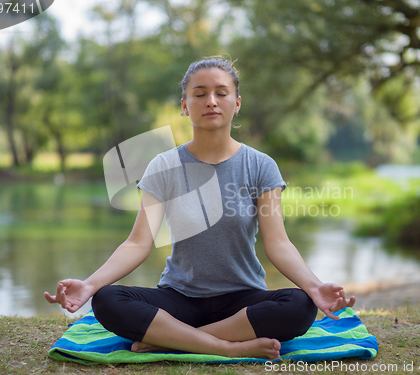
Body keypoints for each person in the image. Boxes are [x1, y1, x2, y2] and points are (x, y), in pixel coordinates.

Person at [44, 57, 355, 360]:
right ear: (184, 105)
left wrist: (314, 288)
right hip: (178, 298)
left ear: (237, 103)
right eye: (200, 93)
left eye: (221, 93)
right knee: (108, 300)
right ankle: (227, 346)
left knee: (299, 305)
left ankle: (170, 339)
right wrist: (89, 284)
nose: (211, 101)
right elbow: (138, 242)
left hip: (242, 299)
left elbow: (278, 243)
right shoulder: (164, 165)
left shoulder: (260, 166)